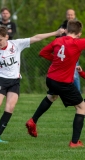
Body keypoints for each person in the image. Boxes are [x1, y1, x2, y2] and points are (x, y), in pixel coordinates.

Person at [0, 25, 64, 142]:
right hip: (1, 80)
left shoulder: (16, 44)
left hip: (15, 81)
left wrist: (55, 32)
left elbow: (36, 38)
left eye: (0, 40)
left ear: (7, 37)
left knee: (10, 107)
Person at [26, 20, 85, 148]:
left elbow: (42, 52)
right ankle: (75, 142)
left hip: (51, 78)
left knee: (52, 96)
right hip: (63, 82)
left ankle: (33, 120)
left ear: (67, 30)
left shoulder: (57, 41)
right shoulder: (78, 43)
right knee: (82, 108)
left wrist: (57, 60)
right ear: (79, 33)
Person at [57, 9, 81, 92]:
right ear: (66, 15)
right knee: (61, 73)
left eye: (71, 15)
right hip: (63, 54)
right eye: (68, 14)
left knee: (75, 74)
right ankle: (61, 92)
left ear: (74, 16)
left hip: (73, 53)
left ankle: (77, 92)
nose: (70, 16)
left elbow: (78, 39)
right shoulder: (62, 26)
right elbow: (57, 39)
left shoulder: (77, 26)